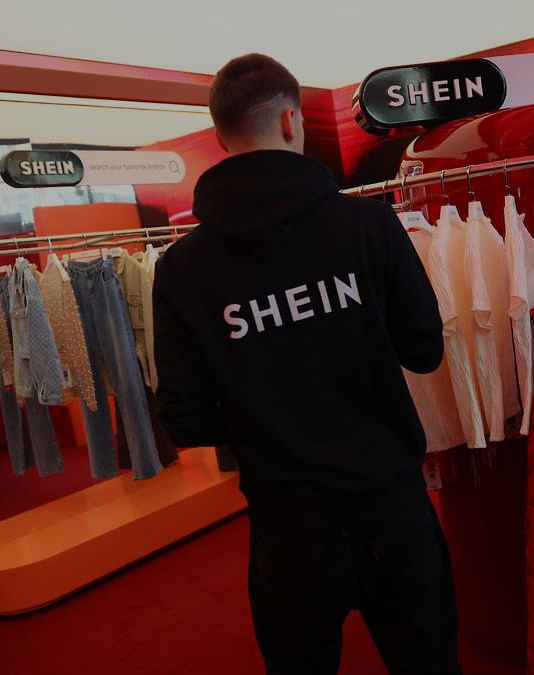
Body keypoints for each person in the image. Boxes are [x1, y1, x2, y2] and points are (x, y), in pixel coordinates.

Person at [153, 54, 461, 675]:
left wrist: (261, 411)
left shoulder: (182, 268)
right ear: (291, 121)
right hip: (389, 503)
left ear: (221, 138)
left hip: (288, 525)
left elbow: (184, 418)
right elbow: (424, 349)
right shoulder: (368, 224)